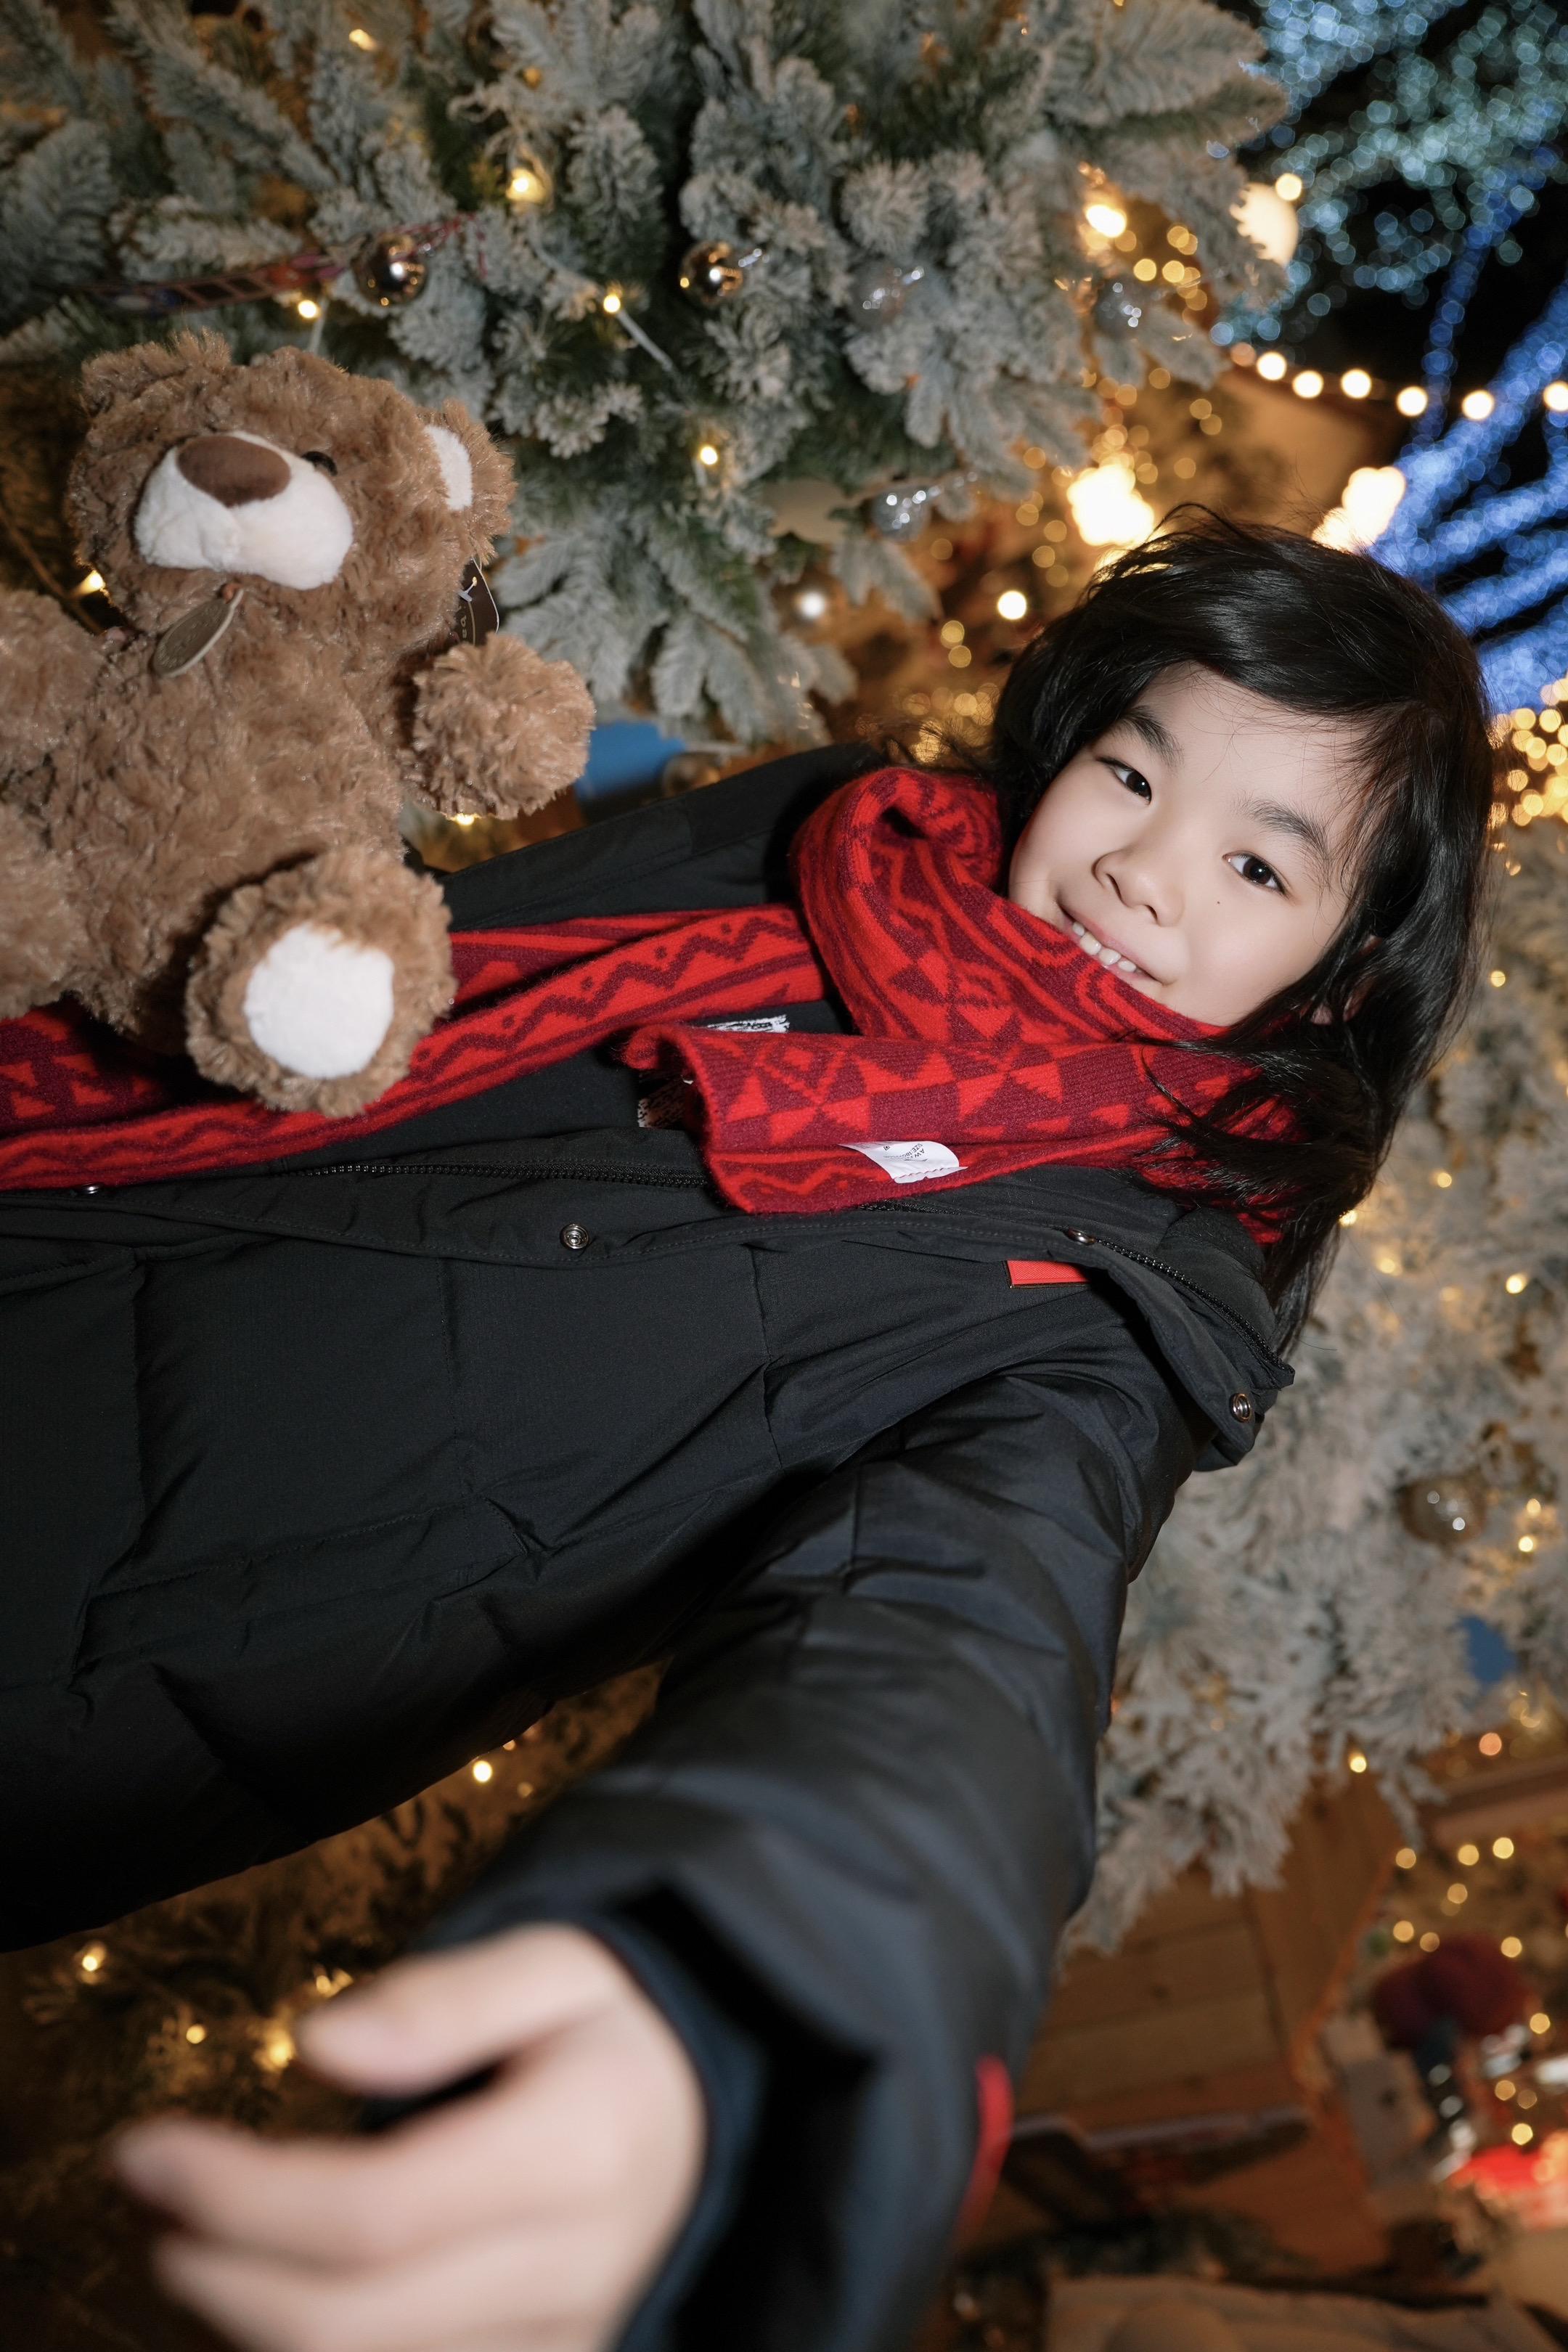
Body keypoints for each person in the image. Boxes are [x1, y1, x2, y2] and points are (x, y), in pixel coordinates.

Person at [0, 510, 1496, 2352]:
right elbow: (420, 986)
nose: (1140, 869)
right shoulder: (842, 841)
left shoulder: (1100, 1314)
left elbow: (955, 1645)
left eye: (1259, 865)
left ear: (1342, 972)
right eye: (1132, 770)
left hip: (93, 1610)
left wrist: (743, 1983)